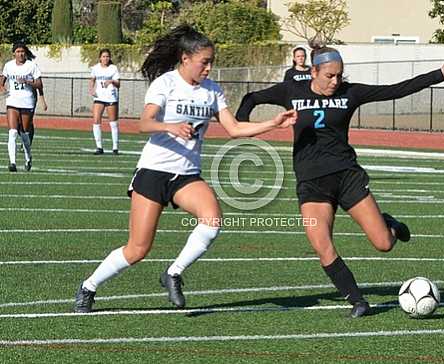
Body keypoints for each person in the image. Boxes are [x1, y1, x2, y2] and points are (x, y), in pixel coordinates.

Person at [74, 25, 297, 313]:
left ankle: (173, 273)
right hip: (154, 171)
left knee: (212, 219)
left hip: (186, 175)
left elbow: (234, 128)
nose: (209, 67)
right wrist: (170, 126)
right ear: (185, 58)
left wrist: (273, 123)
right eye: (205, 61)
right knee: (138, 249)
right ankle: (88, 287)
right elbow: (143, 124)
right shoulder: (165, 83)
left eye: (211, 61)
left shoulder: (212, 90)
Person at [236, 46, 444, 318]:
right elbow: (251, 98)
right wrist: (242, 123)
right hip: (311, 183)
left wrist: (437, 75)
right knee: (322, 246)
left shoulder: (350, 92)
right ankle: (358, 301)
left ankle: (388, 223)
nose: (335, 81)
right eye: (330, 76)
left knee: (384, 244)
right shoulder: (290, 91)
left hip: (347, 177)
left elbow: (395, 90)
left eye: (339, 76)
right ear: (314, 72)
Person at [0, 43, 42, 172]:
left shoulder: (31, 66)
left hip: (27, 102)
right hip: (12, 101)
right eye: (18, 51)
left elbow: (39, 83)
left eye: (22, 51)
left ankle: (28, 157)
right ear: (14, 53)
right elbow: (2, 81)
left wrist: (28, 82)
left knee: (24, 133)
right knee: (12, 132)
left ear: (25, 53)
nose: (20, 54)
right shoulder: (8, 65)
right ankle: (12, 162)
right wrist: (3, 89)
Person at [89, 49, 120, 155]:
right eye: (103, 56)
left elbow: (118, 83)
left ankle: (115, 147)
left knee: (113, 122)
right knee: (96, 120)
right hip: (99, 97)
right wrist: (91, 89)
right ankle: (99, 147)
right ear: (100, 58)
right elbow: (92, 80)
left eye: (107, 56)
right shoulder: (95, 68)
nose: (105, 58)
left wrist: (111, 81)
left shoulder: (113, 68)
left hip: (111, 97)